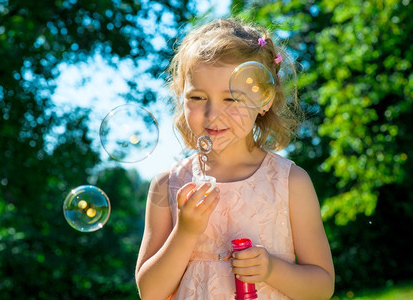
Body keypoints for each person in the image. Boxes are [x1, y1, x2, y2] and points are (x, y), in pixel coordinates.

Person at [135, 18, 335, 299]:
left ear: (264, 99)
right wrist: (185, 232)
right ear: (181, 97)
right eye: (198, 97)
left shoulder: (290, 182)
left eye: (231, 99)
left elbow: (322, 287)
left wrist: (271, 270)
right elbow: (150, 292)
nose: (213, 113)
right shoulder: (168, 184)